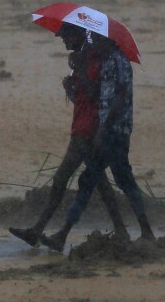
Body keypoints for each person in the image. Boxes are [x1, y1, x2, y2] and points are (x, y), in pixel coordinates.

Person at [9, 23, 129, 247]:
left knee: (63, 180)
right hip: (82, 128)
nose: (64, 41)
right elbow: (82, 98)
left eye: (66, 36)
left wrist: (80, 70)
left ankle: (40, 231)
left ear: (79, 35)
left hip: (89, 131)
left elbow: (96, 93)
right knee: (99, 183)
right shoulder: (83, 58)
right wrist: (70, 88)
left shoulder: (92, 58)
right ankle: (117, 229)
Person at [40, 32, 155, 252]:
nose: (94, 44)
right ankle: (63, 235)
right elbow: (96, 95)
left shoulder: (119, 62)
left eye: (98, 40)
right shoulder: (107, 61)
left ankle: (145, 231)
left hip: (115, 132)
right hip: (107, 130)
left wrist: (102, 130)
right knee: (90, 180)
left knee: (123, 182)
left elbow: (120, 97)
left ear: (109, 40)